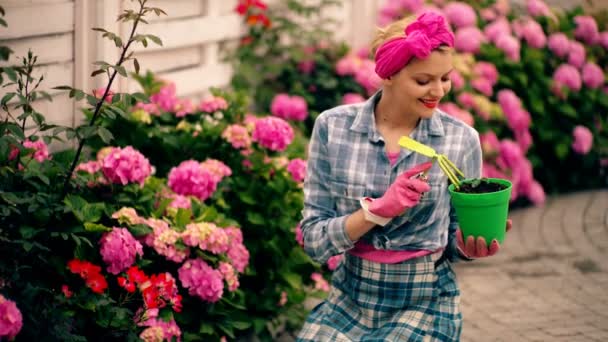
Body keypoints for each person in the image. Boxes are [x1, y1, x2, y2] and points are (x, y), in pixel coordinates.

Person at [297, 11, 512, 341]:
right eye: (423, 81)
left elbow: (455, 237)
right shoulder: (333, 128)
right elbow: (313, 241)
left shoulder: (460, 140)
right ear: (388, 76)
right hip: (349, 298)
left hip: (425, 301)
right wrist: (376, 210)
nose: (438, 91)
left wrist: (470, 246)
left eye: (445, 78)